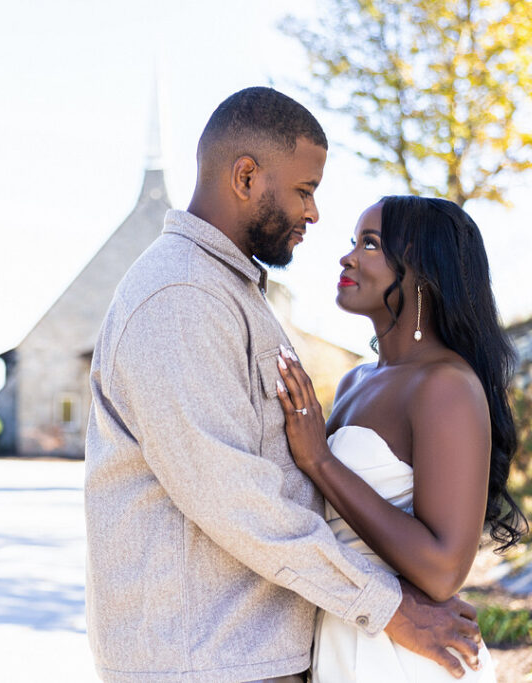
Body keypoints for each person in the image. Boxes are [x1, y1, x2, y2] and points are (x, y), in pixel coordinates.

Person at [85, 87, 483, 683]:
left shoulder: (231, 293)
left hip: (278, 654)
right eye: (305, 191)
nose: (315, 215)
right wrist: (384, 606)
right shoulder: (182, 298)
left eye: (368, 242)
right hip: (207, 661)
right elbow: (232, 496)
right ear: (246, 176)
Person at [275, 196, 526, 681]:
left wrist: (322, 462)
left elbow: (442, 569)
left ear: (423, 273)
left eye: (370, 244)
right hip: (343, 631)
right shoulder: (354, 381)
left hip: (402, 656)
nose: (347, 258)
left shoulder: (445, 385)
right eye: (354, 242)